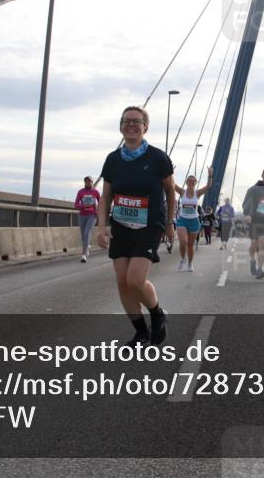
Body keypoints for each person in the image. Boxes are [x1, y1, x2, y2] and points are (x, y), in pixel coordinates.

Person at [96, 106, 175, 348]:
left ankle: (157, 313)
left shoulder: (158, 158)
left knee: (135, 280)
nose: (131, 125)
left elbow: (170, 194)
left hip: (149, 225)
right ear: (120, 126)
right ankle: (141, 332)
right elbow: (106, 196)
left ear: (145, 127)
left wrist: (170, 223)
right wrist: (101, 226)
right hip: (121, 225)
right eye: (126, 121)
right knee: (122, 283)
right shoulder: (113, 159)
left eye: (137, 121)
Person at [172, 168, 212, 272]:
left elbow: (208, 187)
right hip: (182, 220)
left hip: (194, 221)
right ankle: (183, 259)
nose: (191, 181)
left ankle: (190, 263)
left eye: (193, 180)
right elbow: (173, 184)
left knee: (190, 244)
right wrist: (171, 172)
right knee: (183, 241)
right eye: (189, 180)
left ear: (195, 183)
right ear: (186, 182)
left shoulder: (197, 193)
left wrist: (210, 175)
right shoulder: (182, 192)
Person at [243, 167, 264, 279]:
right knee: (254, 244)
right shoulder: (253, 189)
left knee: (262, 245)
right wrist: (247, 214)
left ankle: (260, 269)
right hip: (255, 219)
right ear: (262, 175)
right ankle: (252, 261)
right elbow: (246, 202)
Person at [74, 176, 100, 262]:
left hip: (92, 215)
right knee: (83, 235)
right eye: (86, 181)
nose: (87, 183)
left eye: (89, 181)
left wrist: (97, 211)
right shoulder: (80, 192)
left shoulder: (96, 192)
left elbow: (100, 203)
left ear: (92, 182)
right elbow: (76, 205)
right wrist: (83, 206)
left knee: (86, 233)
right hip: (82, 215)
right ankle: (87, 245)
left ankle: (83, 254)